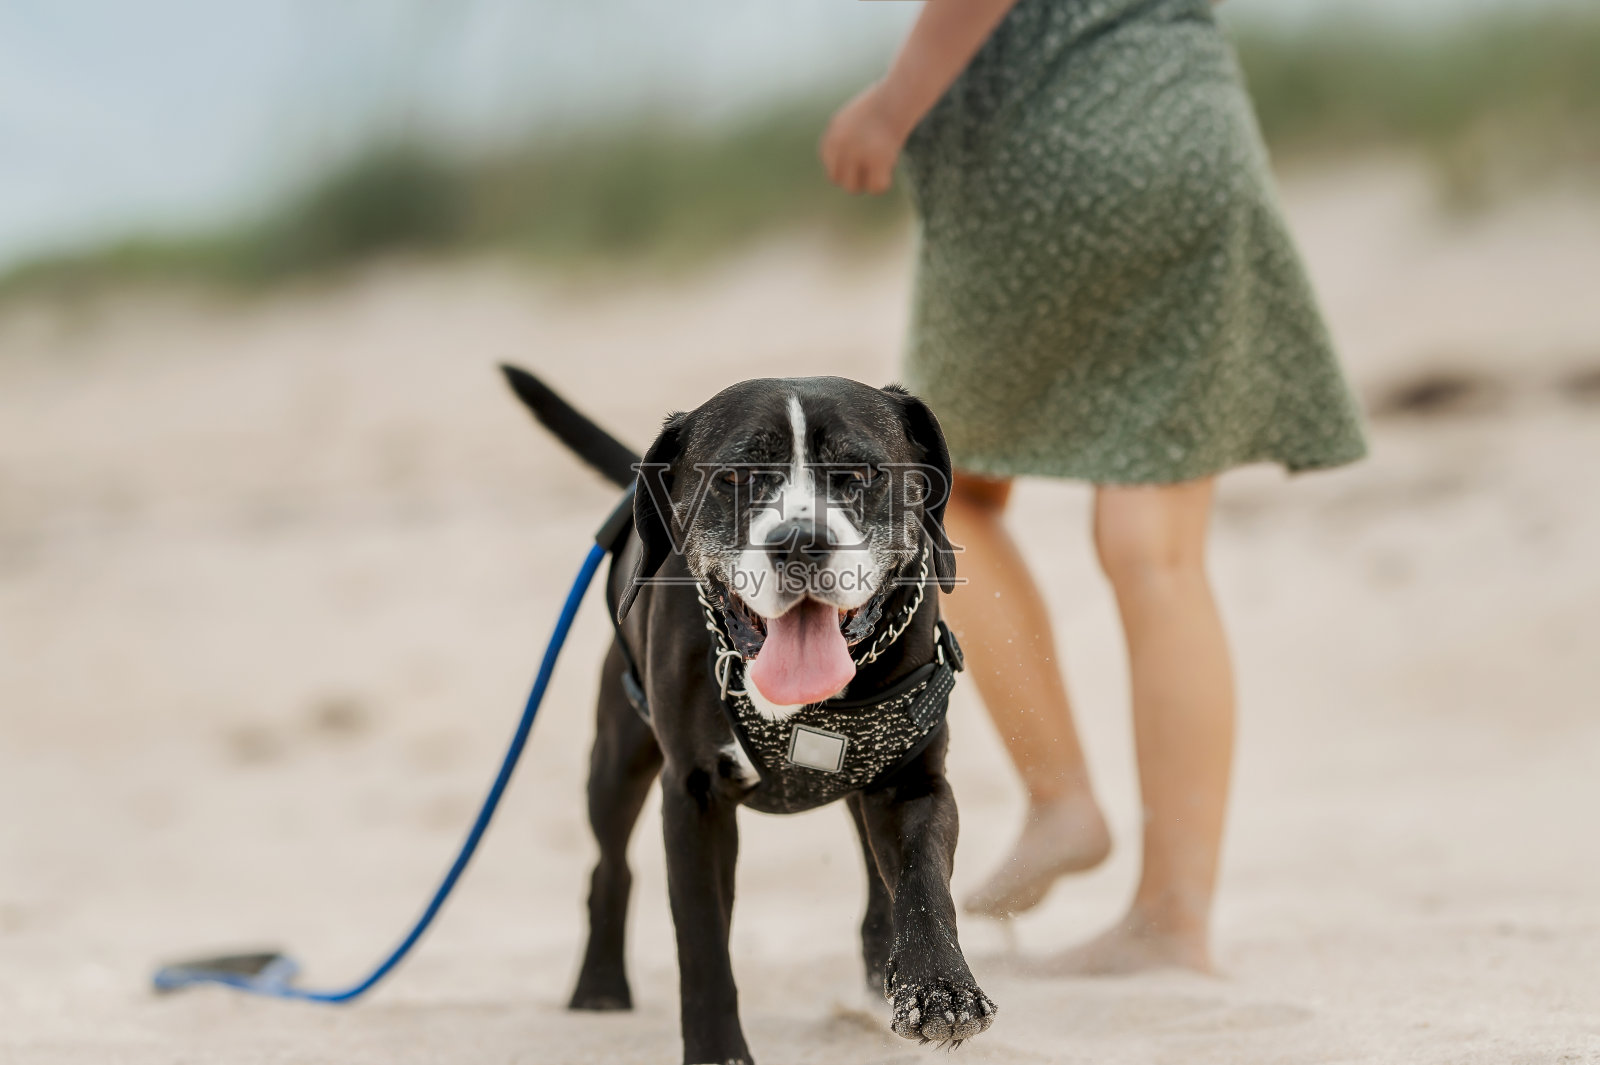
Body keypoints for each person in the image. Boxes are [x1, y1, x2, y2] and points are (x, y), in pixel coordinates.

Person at [820, 0, 1366, 974]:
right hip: (1193, 137)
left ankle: (1061, 794)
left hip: (1041, 151)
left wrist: (893, 106)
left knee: (942, 500)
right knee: (1159, 557)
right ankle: (1173, 918)